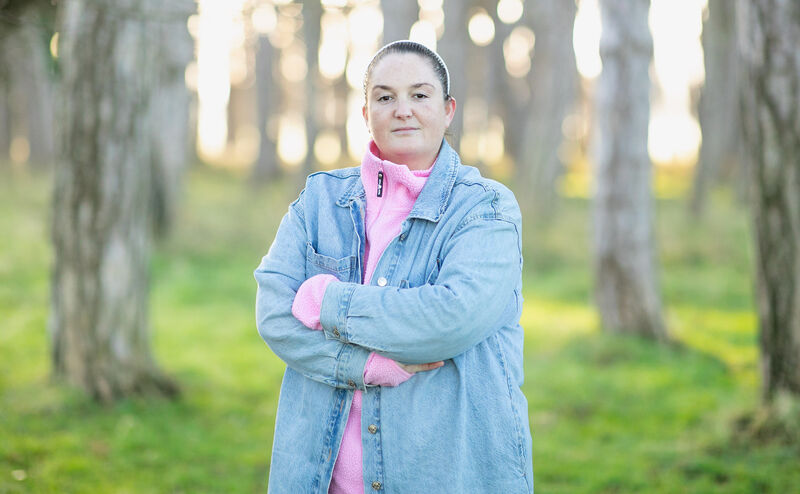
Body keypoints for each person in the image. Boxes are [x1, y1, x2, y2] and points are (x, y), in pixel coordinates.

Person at [255, 40, 533, 494]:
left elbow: (450, 319)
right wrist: (364, 365)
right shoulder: (319, 200)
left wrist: (328, 301)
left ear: (448, 110)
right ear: (367, 114)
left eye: (419, 95)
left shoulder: (485, 208)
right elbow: (274, 313)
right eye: (385, 97)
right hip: (318, 480)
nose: (403, 110)